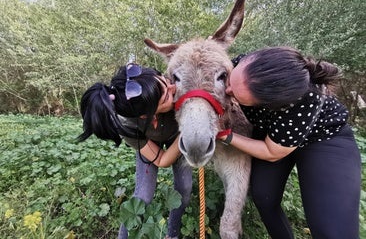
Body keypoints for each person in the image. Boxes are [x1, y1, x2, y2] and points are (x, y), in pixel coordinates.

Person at [219, 47, 361, 239]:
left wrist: (226, 136)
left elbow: (272, 151)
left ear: (268, 104)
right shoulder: (246, 66)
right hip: (273, 133)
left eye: (235, 95)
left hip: (322, 138)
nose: (227, 91)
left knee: (333, 232)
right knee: (264, 196)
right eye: (230, 81)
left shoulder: (306, 98)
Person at [78, 63, 192, 239]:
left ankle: (173, 234)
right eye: (166, 97)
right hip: (164, 140)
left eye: (166, 82)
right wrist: (186, 130)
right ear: (146, 115)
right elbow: (162, 161)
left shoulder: (178, 87)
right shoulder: (129, 125)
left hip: (175, 137)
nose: (173, 88)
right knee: (143, 196)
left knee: (184, 188)